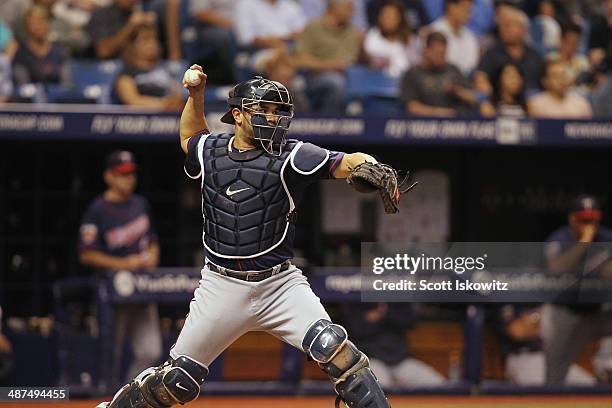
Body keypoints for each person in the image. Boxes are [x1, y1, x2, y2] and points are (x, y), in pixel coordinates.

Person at [95, 65, 409, 407]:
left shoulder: (292, 154)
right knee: (177, 382)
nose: (272, 118)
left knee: (336, 350)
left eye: (278, 112)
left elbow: (346, 161)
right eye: (263, 110)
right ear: (238, 115)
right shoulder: (212, 150)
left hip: (279, 285)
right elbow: (189, 137)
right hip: (221, 285)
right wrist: (195, 95)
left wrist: (373, 166)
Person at [79, 150, 162, 386]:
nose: (129, 179)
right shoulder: (98, 209)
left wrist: (152, 256)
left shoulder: (140, 204)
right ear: (109, 177)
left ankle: (130, 397)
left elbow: (153, 240)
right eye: (122, 174)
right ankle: (107, 397)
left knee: (151, 351)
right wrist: (123, 264)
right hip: (112, 290)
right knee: (110, 355)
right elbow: (86, 254)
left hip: (144, 287)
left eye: (131, 174)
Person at [542, 195, 612, 385]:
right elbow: (556, 267)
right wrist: (584, 242)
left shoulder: (606, 238)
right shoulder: (559, 239)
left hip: (597, 312)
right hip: (564, 313)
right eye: (584, 219)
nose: (589, 224)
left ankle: (607, 367)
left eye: (593, 219)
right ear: (572, 219)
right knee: (555, 373)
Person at [344, 303, 445, 388]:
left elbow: (410, 320)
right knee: (380, 389)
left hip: (401, 362)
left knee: (439, 384)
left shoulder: (397, 301)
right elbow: (355, 327)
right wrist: (383, 319)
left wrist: (383, 315)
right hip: (372, 362)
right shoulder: (358, 300)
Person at [294, 0, 363, 112]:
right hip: (317, 76)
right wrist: (329, 66)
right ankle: (329, 123)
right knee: (336, 82)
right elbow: (300, 60)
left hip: (351, 76)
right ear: (335, 8)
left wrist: (363, 49)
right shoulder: (313, 27)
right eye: (349, 8)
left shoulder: (352, 31)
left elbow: (357, 60)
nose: (353, 12)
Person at [499, 304, 595, 385]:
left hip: (548, 357)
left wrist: (532, 321)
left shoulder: (541, 296)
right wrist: (538, 317)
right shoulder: (507, 292)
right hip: (522, 357)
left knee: (590, 385)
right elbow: (518, 332)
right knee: (544, 389)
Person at [401, 31, 482, 117]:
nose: (440, 57)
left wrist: (456, 91)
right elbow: (412, 107)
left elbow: (474, 98)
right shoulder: (413, 74)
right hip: (425, 123)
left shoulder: (453, 70)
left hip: (455, 124)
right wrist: (440, 113)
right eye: (437, 53)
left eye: (443, 54)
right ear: (426, 50)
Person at [111, 24, 184, 110]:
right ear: (132, 45)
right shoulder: (126, 74)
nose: (152, 44)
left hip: (168, 120)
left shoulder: (165, 71)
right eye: (146, 39)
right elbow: (133, 101)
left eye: (154, 39)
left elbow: (177, 97)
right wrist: (164, 104)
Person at [474, 5, 544, 96]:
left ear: (524, 29)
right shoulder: (492, 54)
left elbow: (545, 79)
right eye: (503, 26)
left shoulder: (535, 55)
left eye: (511, 25)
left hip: (533, 103)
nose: (507, 29)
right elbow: (481, 75)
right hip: (501, 103)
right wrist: (484, 93)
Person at [13, 4, 67, 86]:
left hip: (57, 96)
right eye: (33, 24)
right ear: (26, 27)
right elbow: (23, 85)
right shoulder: (21, 53)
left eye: (41, 22)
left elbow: (65, 82)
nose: (38, 27)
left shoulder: (58, 50)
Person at [364, 0, 420, 78]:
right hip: (379, 82)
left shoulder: (410, 40)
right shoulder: (372, 37)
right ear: (380, 18)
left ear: (400, 19)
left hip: (406, 84)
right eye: (385, 16)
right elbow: (371, 61)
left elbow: (415, 65)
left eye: (392, 16)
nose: (388, 20)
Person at [87, 0, 157, 59]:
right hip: (105, 69)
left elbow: (150, 52)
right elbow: (103, 52)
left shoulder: (139, 14)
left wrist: (150, 27)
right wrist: (130, 26)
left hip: (135, 67)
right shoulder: (101, 15)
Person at [425, 0, 480, 76]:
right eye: (464, 7)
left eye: (470, 8)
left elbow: (473, 67)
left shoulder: (471, 37)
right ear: (451, 6)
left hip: (464, 83)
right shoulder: (434, 31)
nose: (468, 12)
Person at [527, 60, 592, 118]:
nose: (561, 79)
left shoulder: (581, 103)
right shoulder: (536, 104)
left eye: (563, 74)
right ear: (545, 81)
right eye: (555, 76)